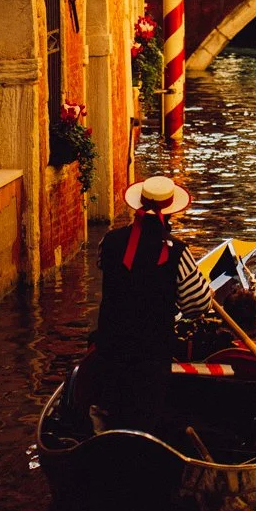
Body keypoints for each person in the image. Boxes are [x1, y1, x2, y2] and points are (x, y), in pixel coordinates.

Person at [85, 176, 214, 434]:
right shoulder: (176, 251)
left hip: (110, 347)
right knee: (143, 416)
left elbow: (105, 267)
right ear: (170, 214)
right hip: (150, 355)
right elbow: (197, 304)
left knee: (110, 406)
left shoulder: (109, 241)